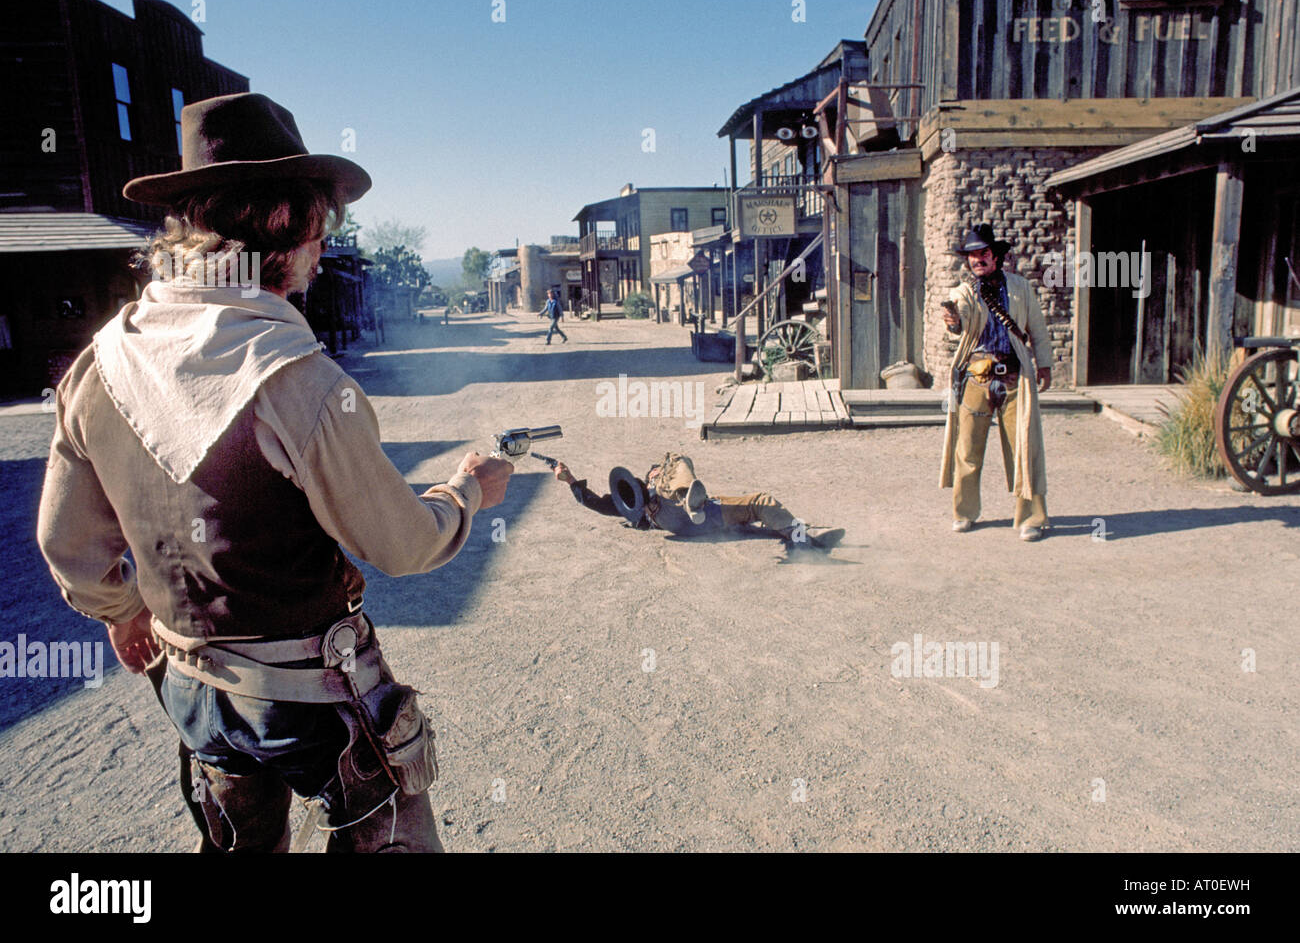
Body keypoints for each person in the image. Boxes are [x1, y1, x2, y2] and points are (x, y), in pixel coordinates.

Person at [35, 92, 514, 852]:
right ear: (281, 222)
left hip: (192, 690)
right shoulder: (301, 380)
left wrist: (123, 610)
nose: (324, 248)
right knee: (395, 824)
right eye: (318, 222)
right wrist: (465, 492)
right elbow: (401, 545)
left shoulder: (100, 362)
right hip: (309, 699)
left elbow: (68, 545)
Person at [939, 223, 1052, 541]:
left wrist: (1043, 365)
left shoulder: (1020, 287)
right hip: (977, 378)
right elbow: (959, 320)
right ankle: (964, 512)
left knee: (1024, 449)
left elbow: (1037, 330)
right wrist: (954, 322)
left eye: (984, 254)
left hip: (1015, 376)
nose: (978, 260)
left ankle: (1032, 518)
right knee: (968, 451)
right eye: (972, 256)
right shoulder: (962, 293)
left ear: (996, 256)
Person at [552, 452, 844, 550]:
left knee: (750, 522)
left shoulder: (626, 509)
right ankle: (806, 539)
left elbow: (591, 502)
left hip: (685, 529)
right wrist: (659, 473)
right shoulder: (657, 491)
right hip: (694, 512)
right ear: (642, 483)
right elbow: (668, 469)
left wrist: (570, 479)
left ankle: (797, 532)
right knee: (759, 501)